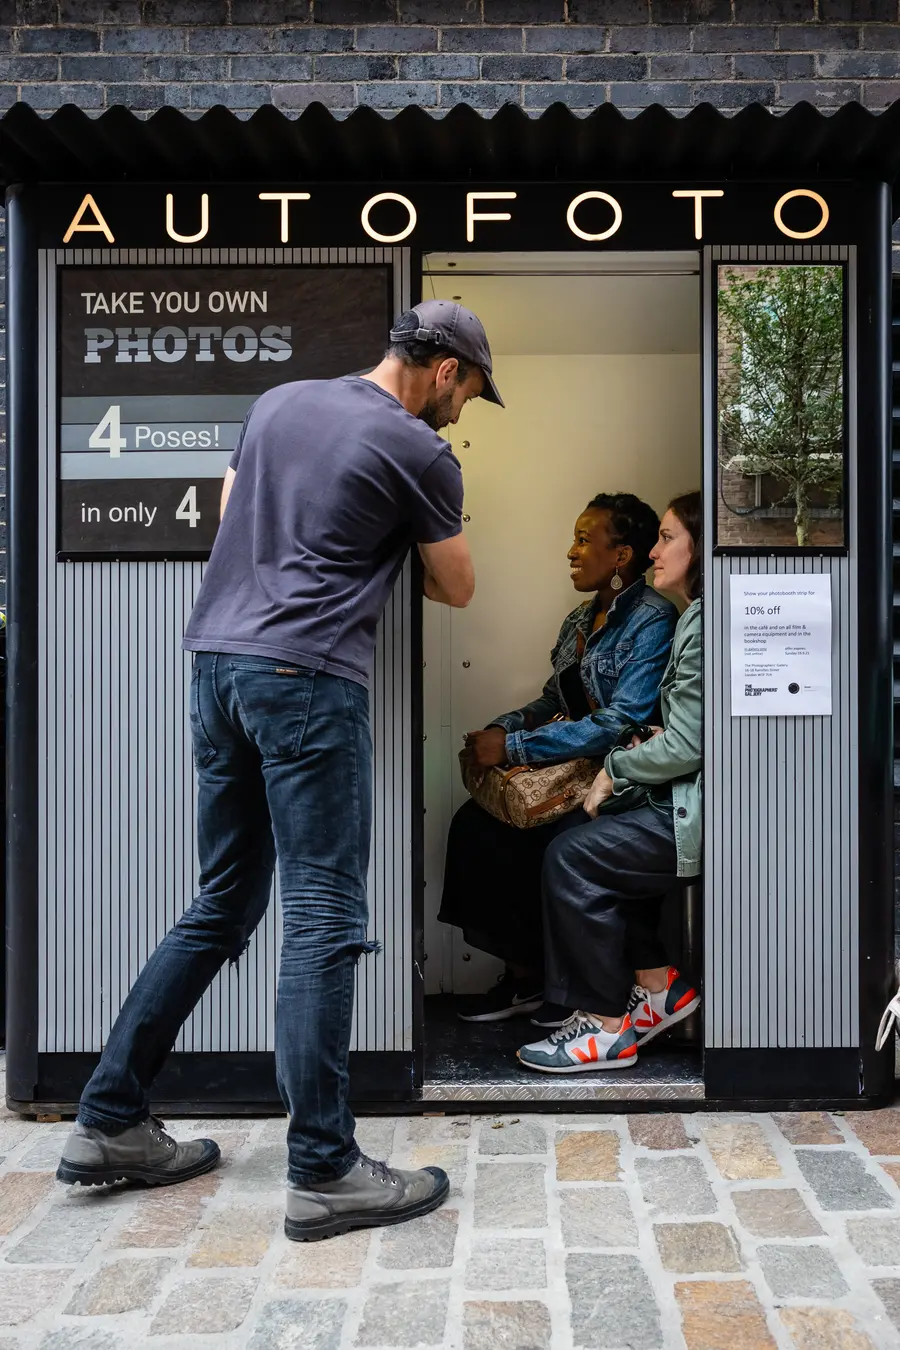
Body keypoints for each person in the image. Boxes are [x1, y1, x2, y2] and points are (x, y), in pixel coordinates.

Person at [57, 300, 502, 1241]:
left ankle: (108, 1122)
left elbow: (232, 516)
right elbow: (455, 584)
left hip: (215, 666)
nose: (462, 412)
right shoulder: (421, 451)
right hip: (305, 679)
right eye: (469, 394)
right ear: (448, 371)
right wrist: (403, 522)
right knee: (323, 916)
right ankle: (325, 1168)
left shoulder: (281, 400)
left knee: (222, 901)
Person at [439, 493, 678, 1026]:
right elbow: (555, 698)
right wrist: (506, 727)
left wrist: (518, 750)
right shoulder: (578, 617)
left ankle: (570, 991)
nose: (571, 551)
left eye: (584, 539)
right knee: (474, 826)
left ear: (621, 556)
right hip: (569, 768)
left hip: (619, 780)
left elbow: (621, 721)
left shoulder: (652, 619)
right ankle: (523, 972)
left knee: (554, 843)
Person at [517, 490, 702, 1074]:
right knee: (589, 839)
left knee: (573, 856)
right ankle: (657, 989)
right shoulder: (696, 618)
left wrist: (615, 770)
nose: (655, 550)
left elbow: (691, 744)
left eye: (668, 538)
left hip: (695, 814)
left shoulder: (688, 623)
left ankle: (602, 1028)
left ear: (703, 549)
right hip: (676, 799)